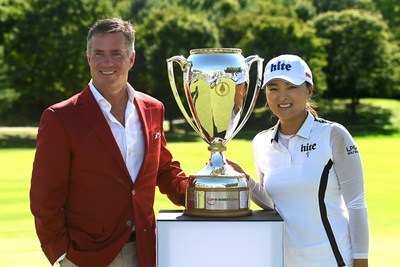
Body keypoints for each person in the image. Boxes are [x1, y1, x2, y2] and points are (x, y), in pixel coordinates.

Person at [30, 18, 188, 267]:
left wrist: (203, 196)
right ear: (88, 58)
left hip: (146, 252)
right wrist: (62, 254)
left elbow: (164, 170)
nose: (107, 62)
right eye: (99, 54)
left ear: (131, 58)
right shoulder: (59, 118)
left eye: (116, 53)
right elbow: (44, 196)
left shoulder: (153, 109)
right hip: (86, 256)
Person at [229, 54, 369, 267]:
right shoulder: (261, 142)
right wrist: (245, 181)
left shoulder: (333, 135)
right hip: (284, 261)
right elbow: (274, 205)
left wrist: (361, 263)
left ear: (309, 90)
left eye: (291, 86)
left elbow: (357, 204)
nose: (282, 96)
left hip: (331, 261)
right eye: (273, 88)